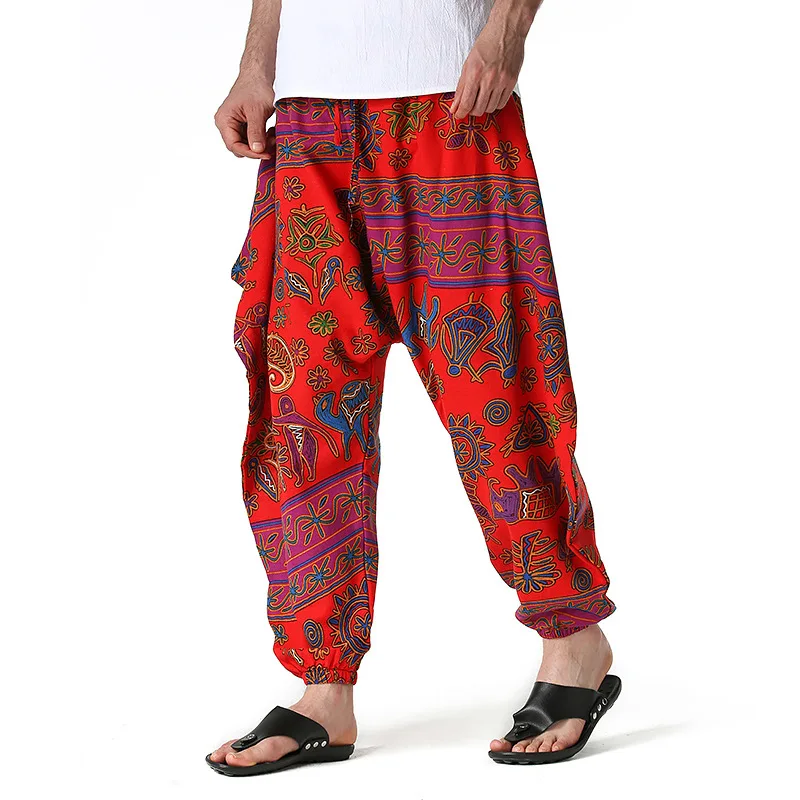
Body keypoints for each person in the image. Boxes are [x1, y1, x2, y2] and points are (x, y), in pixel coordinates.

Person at [207, 0, 618, 776]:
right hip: (310, 117)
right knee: (304, 414)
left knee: (498, 394)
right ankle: (323, 689)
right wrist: (258, 62)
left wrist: (505, 31)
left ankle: (574, 640)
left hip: (452, 98)